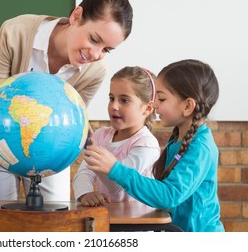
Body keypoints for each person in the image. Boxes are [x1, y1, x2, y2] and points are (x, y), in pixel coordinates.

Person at [0, 0, 134, 201]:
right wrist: (6, 132)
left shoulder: (96, 69)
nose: (95, 54)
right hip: (2, 142)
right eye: (94, 39)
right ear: (76, 15)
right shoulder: (15, 32)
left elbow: (74, 117)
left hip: (52, 151)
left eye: (106, 49)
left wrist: (83, 133)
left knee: (55, 218)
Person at [84, 59, 224, 232]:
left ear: (187, 106)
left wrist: (115, 169)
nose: (155, 104)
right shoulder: (178, 140)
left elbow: (169, 195)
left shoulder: (201, 148)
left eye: (161, 98)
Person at [73, 66, 160, 206]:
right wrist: (85, 193)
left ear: (147, 108)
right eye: (111, 98)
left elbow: (117, 188)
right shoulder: (101, 135)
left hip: (138, 223)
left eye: (124, 100)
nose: (114, 106)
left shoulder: (146, 145)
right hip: (109, 219)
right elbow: (84, 174)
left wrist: (92, 151)